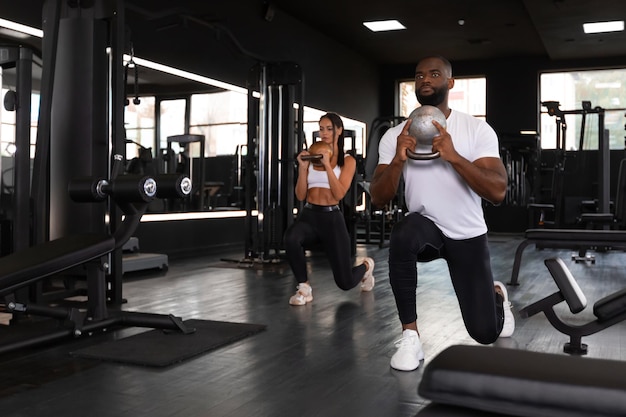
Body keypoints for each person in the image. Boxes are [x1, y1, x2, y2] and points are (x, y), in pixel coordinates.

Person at [369, 56, 515, 371]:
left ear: (450, 83)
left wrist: (454, 157)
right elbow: (378, 198)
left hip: (467, 234)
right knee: (403, 232)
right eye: (419, 75)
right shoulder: (395, 135)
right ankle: (410, 336)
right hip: (427, 229)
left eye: (435, 74)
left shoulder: (476, 129)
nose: (425, 79)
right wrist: (397, 160)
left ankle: (497, 297)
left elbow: (498, 191)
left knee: (485, 332)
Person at [283, 112, 375, 306]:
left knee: (345, 282)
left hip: (331, 219)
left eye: (329, 129)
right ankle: (304, 287)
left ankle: (367, 267)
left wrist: (327, 166)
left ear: (339, 131)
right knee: (291, 237)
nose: (324, 133)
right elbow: (300, 195)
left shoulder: (347, 161)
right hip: (309, 216)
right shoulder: (311, 157)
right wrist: (302, 168)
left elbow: (339, 193)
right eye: (321, 128)